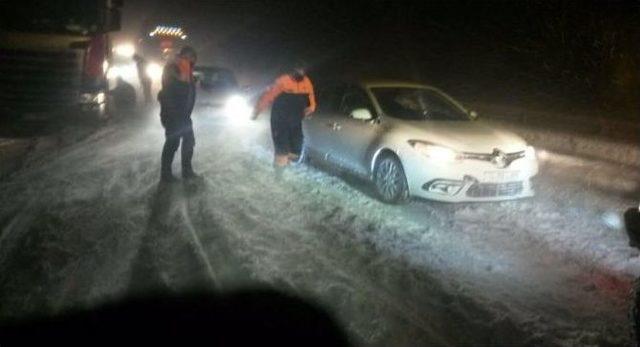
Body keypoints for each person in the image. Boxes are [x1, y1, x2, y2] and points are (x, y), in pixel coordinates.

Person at [253, 61, 316, 174]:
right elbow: (268, 97)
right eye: (298, 70)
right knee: (282, 152)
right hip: (280, 122)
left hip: (295, 122)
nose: (300, 72)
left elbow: (311, 96)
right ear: (292, 70)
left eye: (302, 70)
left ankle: (282, 167)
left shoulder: (306, 82)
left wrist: (311, 108)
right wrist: (257, 111)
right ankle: (278, 177)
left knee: (295, 152)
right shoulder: (282, 81)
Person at [158, 46, 199, 183]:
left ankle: (186, 171)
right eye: (192, 59)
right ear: (186, 56)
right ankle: (166, 174)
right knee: (172, 142)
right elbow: (174, 89)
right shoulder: (174, 67)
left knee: (188, 141)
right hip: (174, 113)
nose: (193, 62)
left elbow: (186, 87)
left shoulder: (183, 67)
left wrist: (191, 82)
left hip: (182, 113)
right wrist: (186, 81)